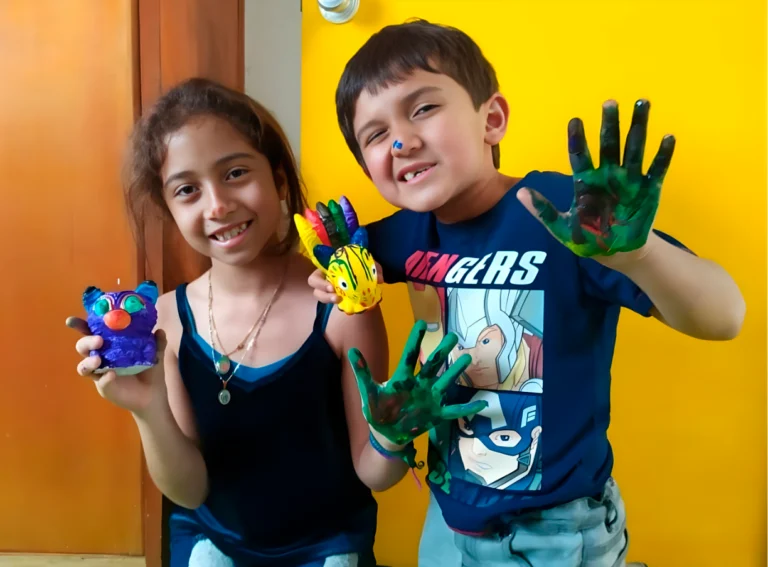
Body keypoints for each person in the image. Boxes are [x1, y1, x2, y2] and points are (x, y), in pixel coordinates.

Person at [309, 19, 746, 567]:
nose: (401, 140)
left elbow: (727, 315)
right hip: (447, 525)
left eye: (423, 109)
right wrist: (328, 272)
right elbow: (334, 269)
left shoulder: (567, 214)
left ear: (491, 119)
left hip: (559, 533)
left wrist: (637, 256)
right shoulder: (400, 235)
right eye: (375, 134)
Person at [65, 78, 419, 567]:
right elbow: (189, 490)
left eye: (234, 173)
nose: (217, 205)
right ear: (169, 208)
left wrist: (397, 432)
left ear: (277, 180)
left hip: (329, 548)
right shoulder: (167, 319)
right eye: (187, 189)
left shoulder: (341, 305)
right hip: (213, 547)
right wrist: (147, 408)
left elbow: (374, 473)